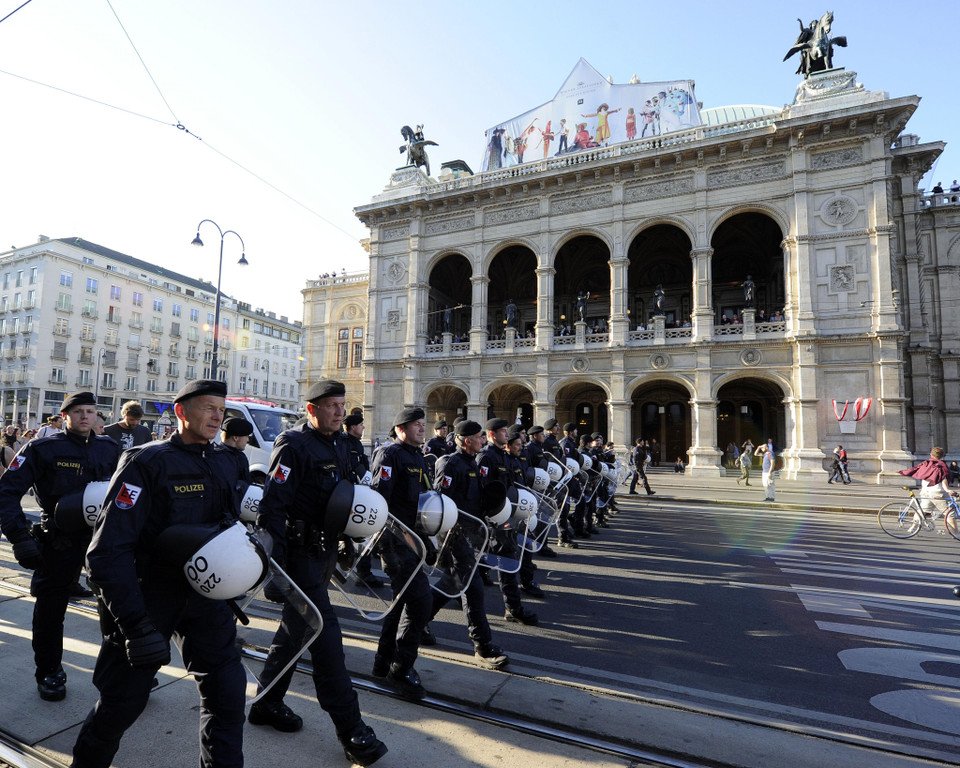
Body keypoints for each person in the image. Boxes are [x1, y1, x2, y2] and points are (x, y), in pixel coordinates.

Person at [70, 380, 249, 767]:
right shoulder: (147, 462)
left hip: (206, 597)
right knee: (120, 703)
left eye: (221, 409)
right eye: (208, 407)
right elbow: (107, 551)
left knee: (228, 697)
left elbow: (230, 528)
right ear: (181, 412)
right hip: (149, 598)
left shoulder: (226, 461)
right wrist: (135, 625)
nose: (217, 416)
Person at [247, 380, 387, 765]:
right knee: (326, 638)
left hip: (324, 553)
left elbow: (345, 496)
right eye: (331, 406)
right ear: (312, 409)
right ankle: (352, 728)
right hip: (298, 558)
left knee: (295, 633)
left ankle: (266, 702)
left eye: (342, 405)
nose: (340, 412)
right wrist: (276, 569)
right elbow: (272, 509)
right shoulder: (293, 445)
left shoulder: (342, 444)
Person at [0, 391, 121, 702]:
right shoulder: (42, 448)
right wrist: (20, 538)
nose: (85, 416)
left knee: (116, 607)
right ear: (65, 415)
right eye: (78, 411)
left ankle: (118, 673)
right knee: (50, 611)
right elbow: (7, 492)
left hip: (101, 539)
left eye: (90, 411)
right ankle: (49, 671)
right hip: (58, 539)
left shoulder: (109, 447)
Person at [432, 419, 510, 668]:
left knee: (451, 583)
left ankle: (417, 619)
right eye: (479, 437)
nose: (483, 441)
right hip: (454, 535)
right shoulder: (451, 463)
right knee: (473, 588)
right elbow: (441, 502)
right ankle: (483, 646)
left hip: (470, 534)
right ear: (467, 441)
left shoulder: (471, 462)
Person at [370, 406, 434, 699]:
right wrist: (389, 545)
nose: (422, 428)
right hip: (395, 542)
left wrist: (426, 541)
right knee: (420, 601)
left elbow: (422, 501)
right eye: (416, 424)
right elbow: (380, 503)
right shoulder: (390, 455)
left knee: (399, 603)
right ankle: (401, 668)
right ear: (400, 429)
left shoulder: (418, 456)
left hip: (413, 540)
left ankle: (383, 662)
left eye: (423, 423)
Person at [479, 419, 539, 625]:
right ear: (492, 434)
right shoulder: (486, 457)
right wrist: (495, 518)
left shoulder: (504, 456)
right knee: (505, 562)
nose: (507, 434)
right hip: (497, 519)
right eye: (503, 431)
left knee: (503, 560)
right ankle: (513, 608)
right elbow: (485, 491)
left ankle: (512, 607)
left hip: (509, 516)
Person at [899, 447, 951, 527]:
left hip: (926, 492)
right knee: (950, 514)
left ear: (931, 454)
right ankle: (956, 533)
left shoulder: (926, 463)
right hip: (937, 493)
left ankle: (912, 528)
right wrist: (948, 490)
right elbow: (944, 479)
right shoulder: (942, 465)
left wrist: (902, 472)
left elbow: (914, 469)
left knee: (923, 511)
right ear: (942, 456)